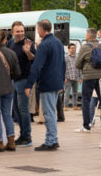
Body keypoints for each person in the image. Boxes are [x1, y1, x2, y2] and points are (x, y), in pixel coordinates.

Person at [25, 19, 65, 151]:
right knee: (51, 112)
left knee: (48, 113)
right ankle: (53, 139)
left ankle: (51, 140)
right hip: (56, 82)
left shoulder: (44, 45)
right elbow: (62, 63)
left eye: (38, 30)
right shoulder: (58, 43)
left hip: (47, 82)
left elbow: (37, 66)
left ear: (41, 29)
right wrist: (62, 80)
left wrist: (29, 84)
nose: (38, 32)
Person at [74, 28, 101, 133]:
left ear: (88, 36)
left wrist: (85, 67)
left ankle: (86, 126)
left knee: (86, 100)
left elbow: (77, 64)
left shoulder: (84, 47)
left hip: (89, 77)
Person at [9, 21, 36, 146]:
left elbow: (34, 59)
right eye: (17, 31)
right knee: (16, 109)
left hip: (24, 79)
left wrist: (27, 52)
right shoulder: (10, 43)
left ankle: (27, 137)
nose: (20, 33)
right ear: (12, 32)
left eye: (21, 31)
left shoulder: (28, 43)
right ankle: (22, 134)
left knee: (23, 109)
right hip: (13, 80)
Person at [64, 43, 80, 109]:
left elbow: (79, 68)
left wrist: (80, 77)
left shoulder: (77, 57)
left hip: (76, 77)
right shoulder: (65, 57)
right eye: (71, 48)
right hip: (68, 78)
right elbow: (63, 68)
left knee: (75, 93)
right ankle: (65, 106)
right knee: (67, 93)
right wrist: (64, 77)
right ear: (68, 49)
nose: (73, 49)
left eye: (74, 48)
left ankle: (75, 106)